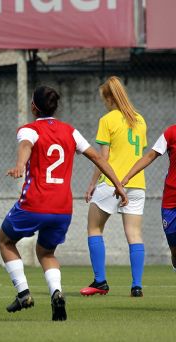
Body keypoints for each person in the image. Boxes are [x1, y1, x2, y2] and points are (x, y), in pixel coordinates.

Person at [0, 86, 127, 321]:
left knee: (5, 240)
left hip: (34, 203)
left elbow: (26, 145)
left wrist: (19, 165)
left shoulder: (29, 129)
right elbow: (98, 157)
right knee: (46, 251)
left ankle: (23, 292)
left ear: (33, 107)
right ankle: (56, 292)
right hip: (62, 208)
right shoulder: (71, 132)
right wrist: (118, 185)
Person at [80, 76, 147, 298]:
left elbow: (103, 158)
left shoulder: (107, 120)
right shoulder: (140, 120)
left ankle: (100, 282)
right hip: (137, 184)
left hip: (111, 183)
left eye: (104, 98)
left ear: (109, 97)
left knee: (94, 229)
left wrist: (91, 184)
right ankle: (136, 286)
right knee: (135, 234)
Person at [121, 125, 176, 271]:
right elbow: (150, 155)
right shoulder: (171, 133)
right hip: (171, 199)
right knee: (174, 248)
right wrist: (127, 177)